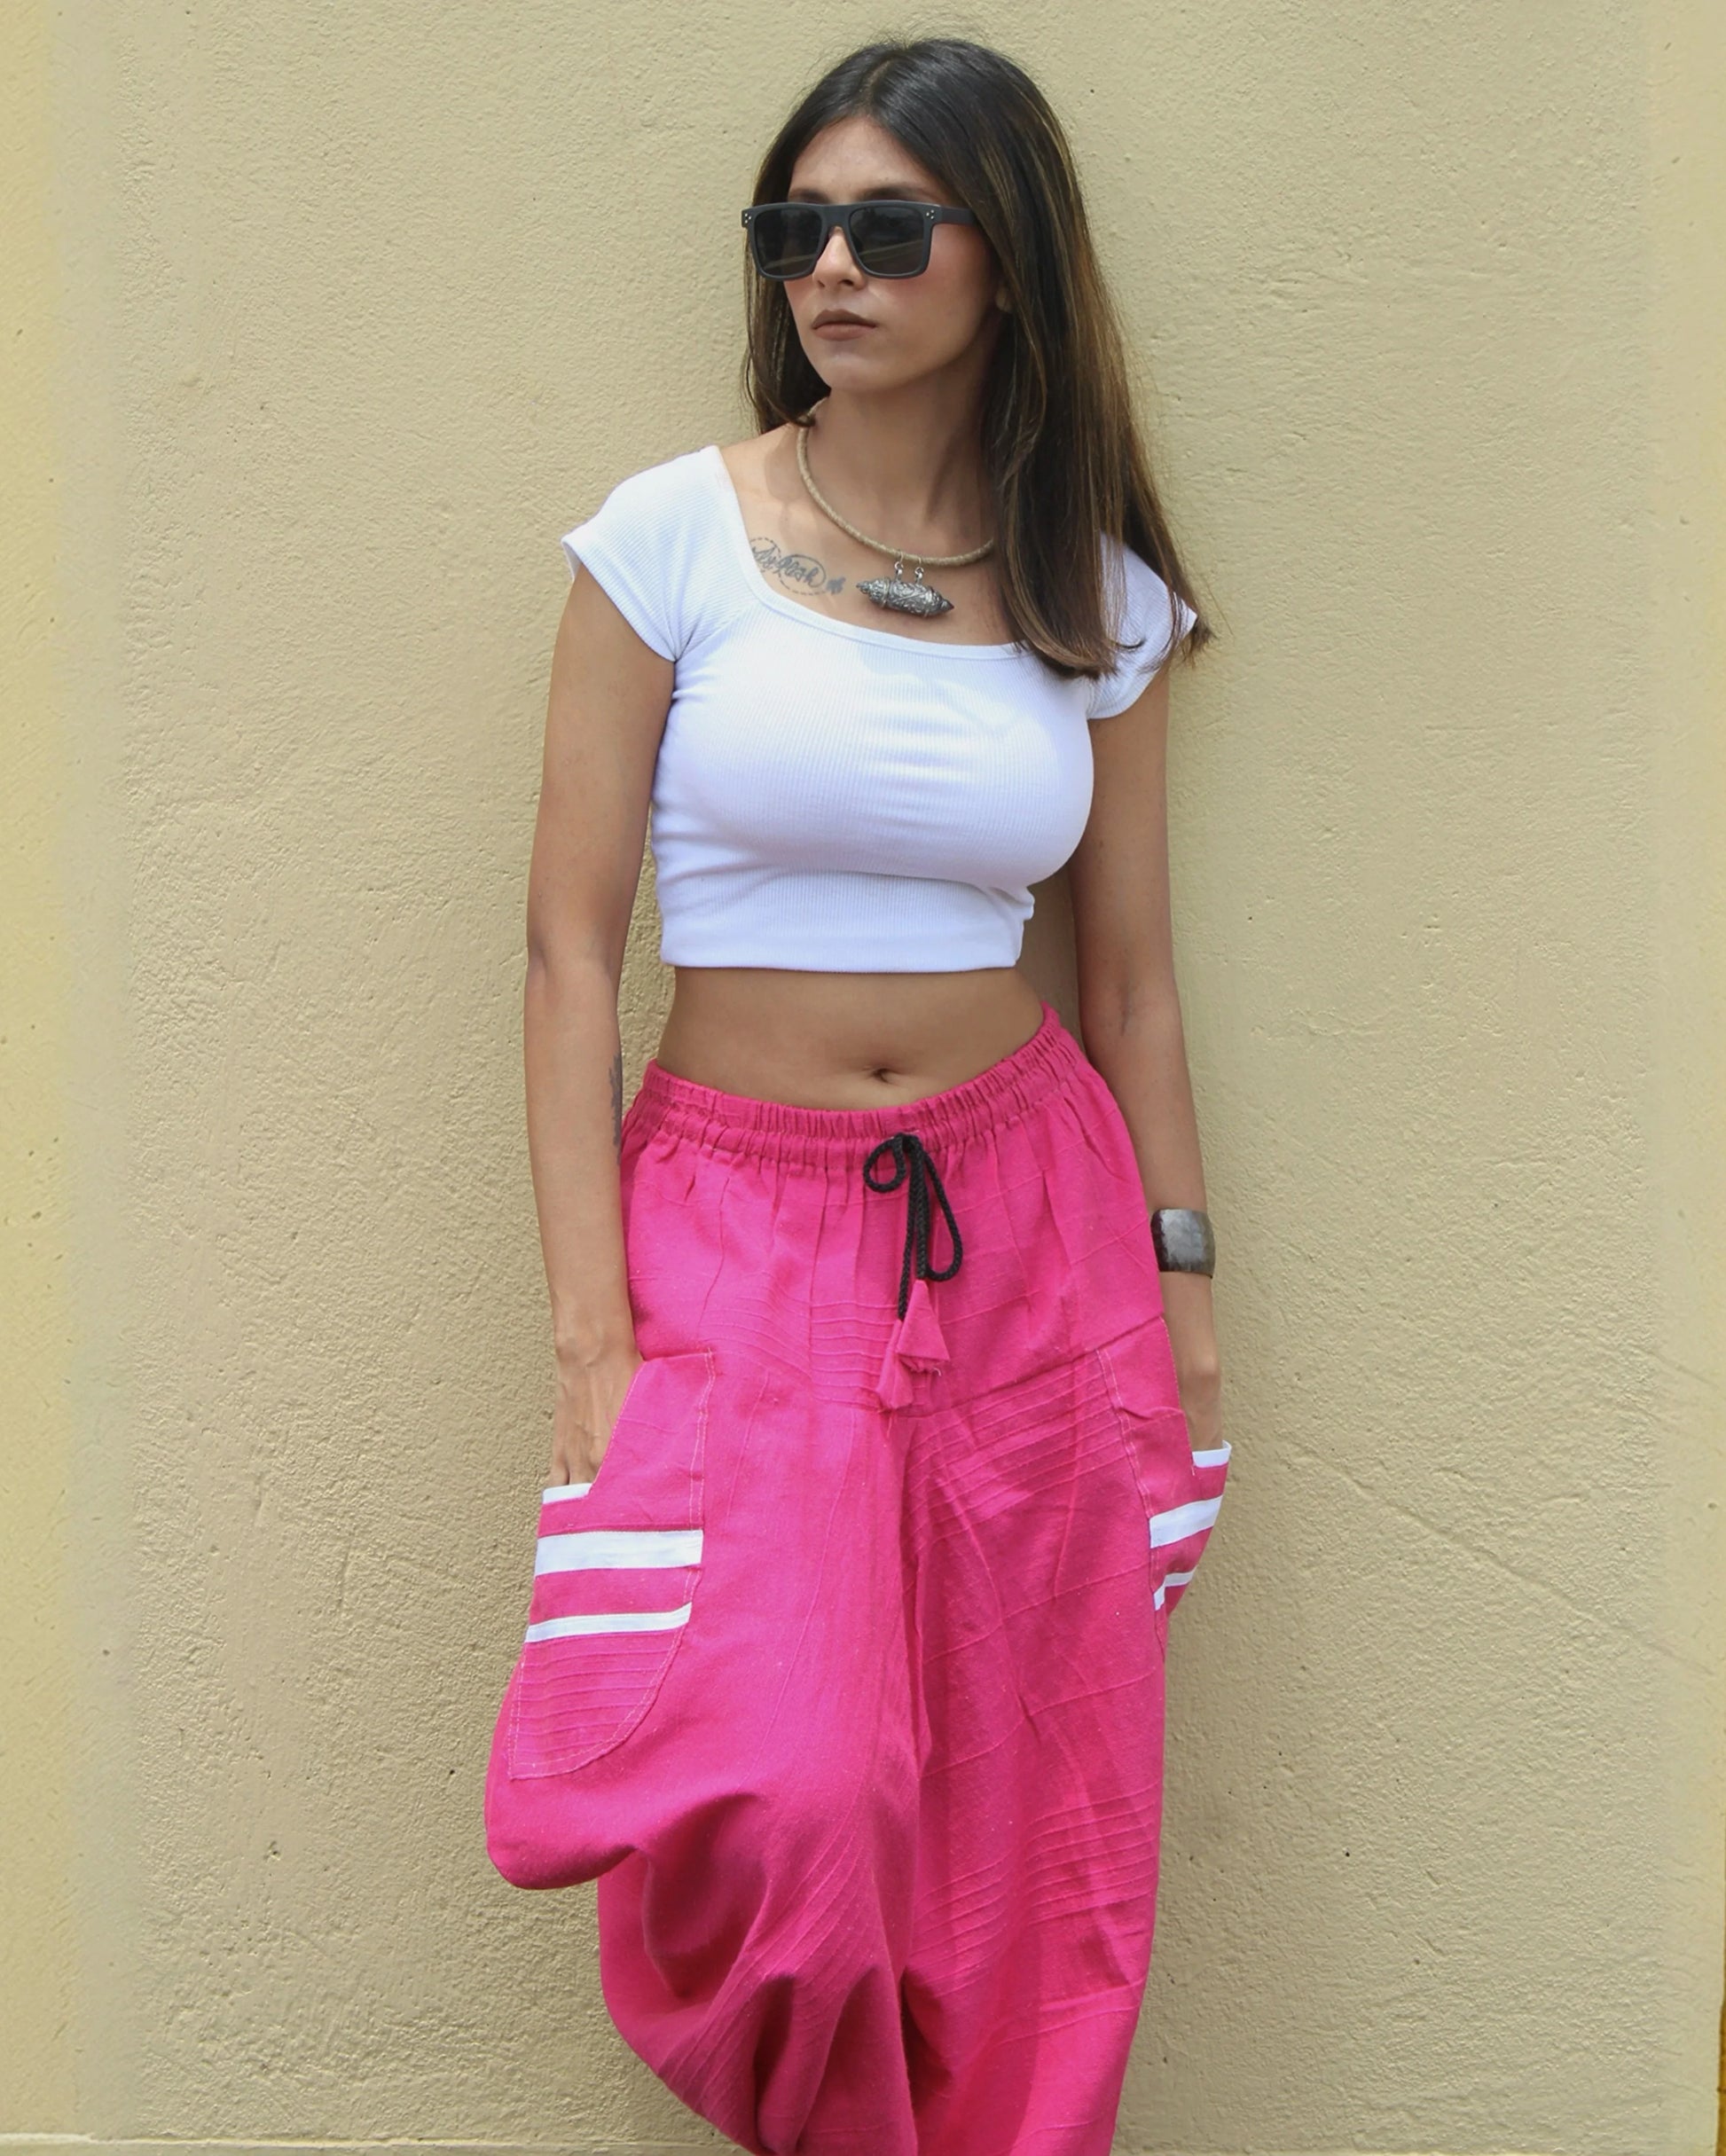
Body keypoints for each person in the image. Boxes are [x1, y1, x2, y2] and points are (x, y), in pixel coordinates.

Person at [485, 35, 1228, 2156]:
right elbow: (563, 952)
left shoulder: (1096, 593)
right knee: (795, 1788)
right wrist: (588, 1324)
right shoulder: (672, 536)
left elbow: (1135, 984)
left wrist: (1181, 1304)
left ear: (1008, 264)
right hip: (734, 1218)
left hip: (1035, 1226)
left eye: (886, 226)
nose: (831, 263)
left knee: (1033, 1816)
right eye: (793, 225)